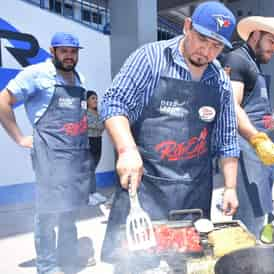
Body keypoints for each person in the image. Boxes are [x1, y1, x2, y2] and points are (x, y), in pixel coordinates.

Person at [100, 1, 239, 262]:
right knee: (136, 264)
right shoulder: (151, 58)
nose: (207, 51)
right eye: (202, 39)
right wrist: (126, 150)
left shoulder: (219, 78)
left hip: (194, 191)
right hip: (146, 187)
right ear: (187, 27)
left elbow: (227, 136)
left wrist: (230, 186)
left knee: (188, 264)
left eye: (216, 46)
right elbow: (114, 102)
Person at [0, 32, 92, 274]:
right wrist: (19, 137)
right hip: (49, 157)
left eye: (73, 52)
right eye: (64, 51)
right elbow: (3, 101)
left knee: (70, 210)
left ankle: (68, 259)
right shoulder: (36, 74)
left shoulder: (79, 77)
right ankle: (47, 266)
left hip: (74, 157)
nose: (69, 56)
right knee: (49, 213)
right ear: (52, 51)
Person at [219, 16, 274, 236]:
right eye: (271, 41)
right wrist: (258, 139)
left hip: (259, 151)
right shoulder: (237, 59)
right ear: (255, 34)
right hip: (244, 151)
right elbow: (232, 106)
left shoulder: (254, 65)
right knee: (249, 216)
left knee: (261, 211)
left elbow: (256, 113)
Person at [86, 90, 107, 206]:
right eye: (93, 98)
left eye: (96, 98)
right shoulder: (84, 113)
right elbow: (97, 125)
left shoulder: (98, 113)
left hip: (98, 141)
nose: (95, 101)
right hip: (89, 141)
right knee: (88, 169)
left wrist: (98, 126)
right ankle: (87, 195)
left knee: (93, 168)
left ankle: (93, 192)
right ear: (87, 101)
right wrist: (98, 126)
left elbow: (102, 126)